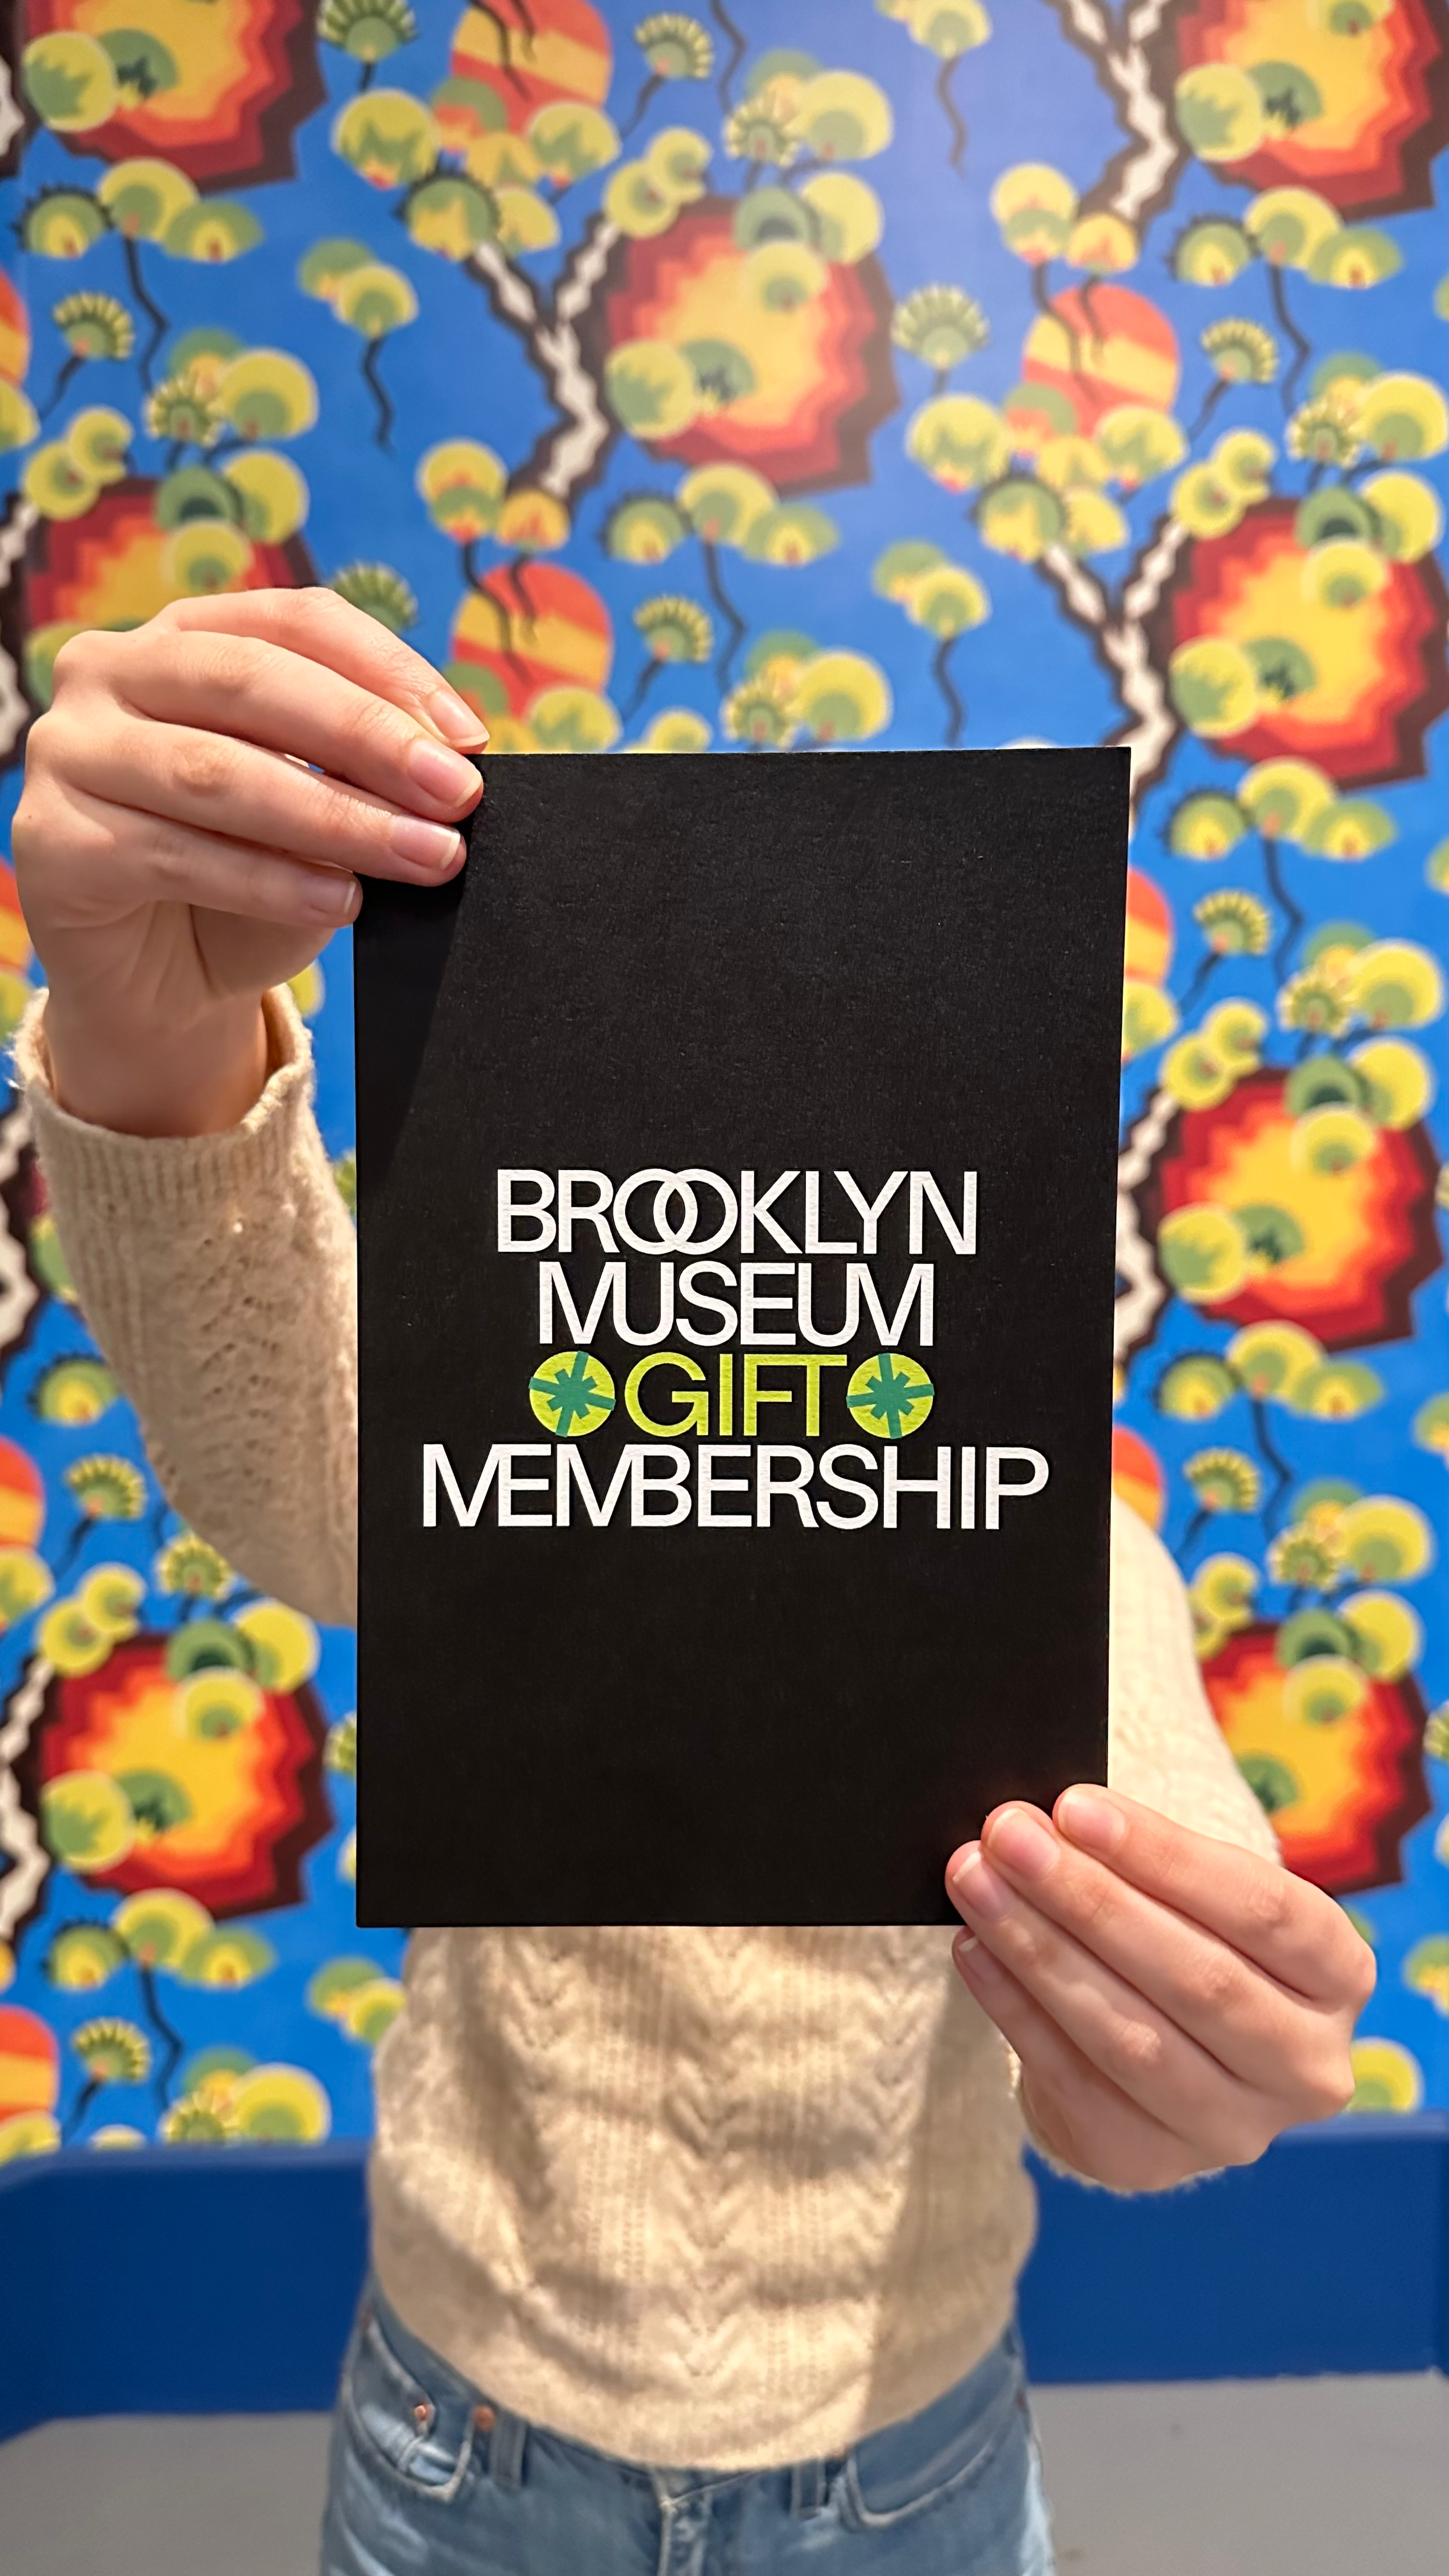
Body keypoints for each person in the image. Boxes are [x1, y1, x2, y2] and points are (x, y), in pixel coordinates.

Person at [12, 591, 1373, 2576]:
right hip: (461, 2423)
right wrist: (151, 1031)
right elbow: (288, 1471)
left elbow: (1150, 1839)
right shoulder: (511, 1411)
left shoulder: (1048, 1537)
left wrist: (1177, 2055)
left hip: (913, 2449)